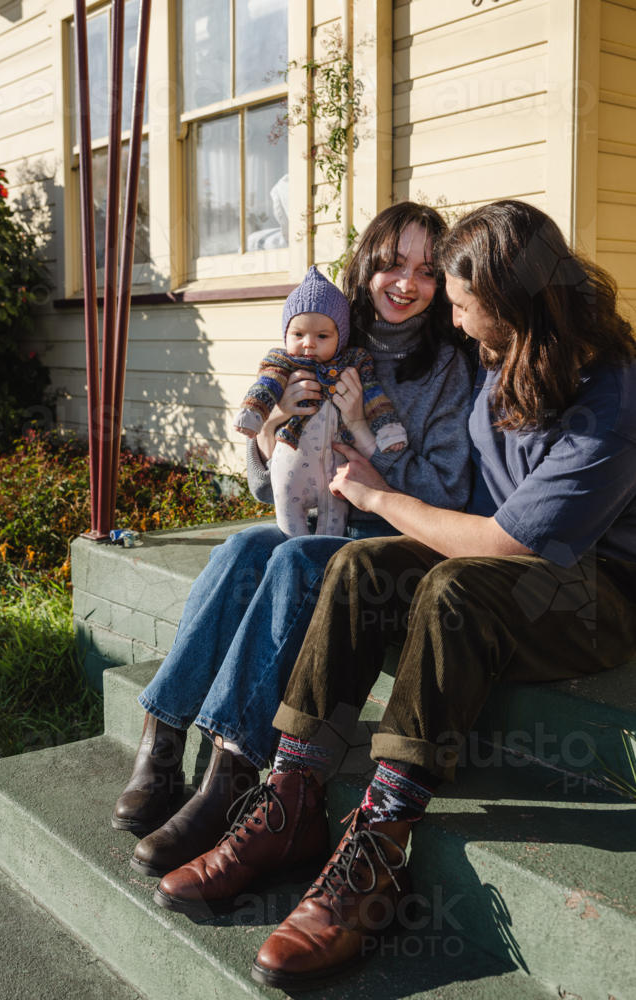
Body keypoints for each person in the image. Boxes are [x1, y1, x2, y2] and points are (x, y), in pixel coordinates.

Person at [151, 200, 636, 991]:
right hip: (503, 566)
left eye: (459, 297)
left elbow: (510, 545)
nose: (446, 305)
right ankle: (292, 800)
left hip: (595, 594)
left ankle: (378, 844)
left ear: (509, 302)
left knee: (449, 587)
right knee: (359, 567)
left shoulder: (613, 398)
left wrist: (378, 498)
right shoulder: (498, 350)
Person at [112, 201, 473, 885]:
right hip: (313, 520)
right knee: (242, 549)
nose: (406, 283)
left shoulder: (449, 370)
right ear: (366, 265)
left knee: (291, 558)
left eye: (426, 271)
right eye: (393, 263)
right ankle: (161, 746)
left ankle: (230, 774)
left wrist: (372, 458)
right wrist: (270, 428)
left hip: (392, 535)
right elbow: (267, 483)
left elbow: (450, 491)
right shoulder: (322, 338)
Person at [233, 264, 408, 538]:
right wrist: (258, 416)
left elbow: (375, 397)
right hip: (289, 470)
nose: (308, 344)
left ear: (341, 338)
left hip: (337, 476)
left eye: (322, 336)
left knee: (331, 534)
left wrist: (387, 428)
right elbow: (264, 388)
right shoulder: (282, 365)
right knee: (286, 539)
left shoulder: (353, 365)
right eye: (298, 334)